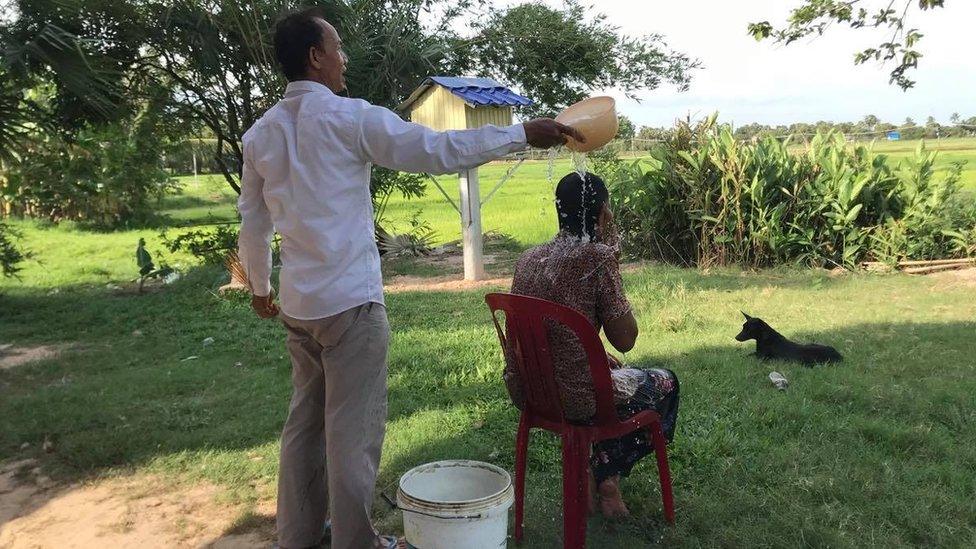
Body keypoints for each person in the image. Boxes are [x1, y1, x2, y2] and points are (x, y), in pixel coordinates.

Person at [236, 7, 584, 549]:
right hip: (351, 307)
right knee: (352, 433)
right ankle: (356, 542)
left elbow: (253, 221)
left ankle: (298, 537)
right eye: (337, 47)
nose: (344, 58)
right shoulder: (351, 119)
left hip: (300, 307)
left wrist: (259, 288)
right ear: (315, 57)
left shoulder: (262, 135)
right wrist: (520, 134)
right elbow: (435, 150)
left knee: (304, 427)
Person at [503, 172, 680, 518]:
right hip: (580, 399)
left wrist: (596, 357)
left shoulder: (528, 259)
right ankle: (608, 476)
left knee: (603, 378)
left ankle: (587, 470)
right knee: (666, 382)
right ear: (602, 214)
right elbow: (626, 340)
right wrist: (611, 254)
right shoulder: (597, 257)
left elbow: (557, 338)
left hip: (532, 393)